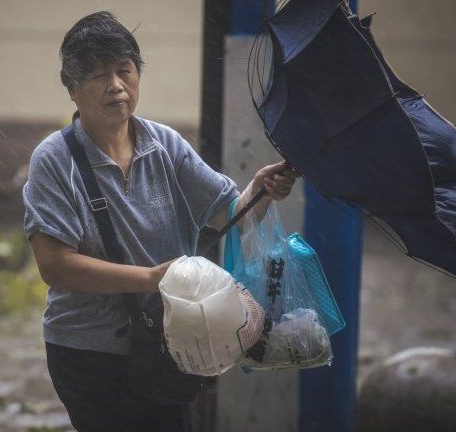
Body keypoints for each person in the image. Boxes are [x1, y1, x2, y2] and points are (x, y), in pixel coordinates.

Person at [22, 11, 298, 432]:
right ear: (72, 89)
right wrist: (151, 278)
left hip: (170, 347)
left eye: (124, 70)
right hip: (87, 352)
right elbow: (55, 266)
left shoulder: (164, 144)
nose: (115, 86)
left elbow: (232, 214)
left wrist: (259, 190)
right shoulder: (54, 159)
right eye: (98, 75)